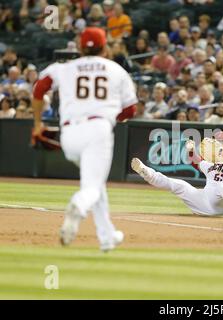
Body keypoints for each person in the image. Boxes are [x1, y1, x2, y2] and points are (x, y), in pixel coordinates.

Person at [31, 27, 137, 251]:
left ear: (79, 47)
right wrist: (111, 117)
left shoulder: (63, 68)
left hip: (69, 134)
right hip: (97, 129)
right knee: (91, 188)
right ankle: (77, 206)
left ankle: (107, 237)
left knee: (95, 181)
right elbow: (131, 109)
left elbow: (39, 89)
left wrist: (38, 124)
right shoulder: (116, 70)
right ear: (105, 47)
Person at [131, 131, 223, 216]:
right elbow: (196, 161)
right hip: (205, 204)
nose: (218, 144)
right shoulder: (208, 164)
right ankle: (147, 173)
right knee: (181, 185)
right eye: (216, 142)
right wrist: (191, 151)